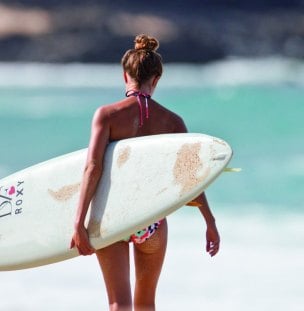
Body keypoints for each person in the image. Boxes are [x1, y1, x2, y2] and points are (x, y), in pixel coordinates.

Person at [70, 34, 221, 311]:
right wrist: (209, 222)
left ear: (125, 75)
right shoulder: (173, 122)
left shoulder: (107, 115)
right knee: (146, 304)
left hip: (111, 219)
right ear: (157, 79)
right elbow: (191, 178)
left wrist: (78, 222)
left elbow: (93, 167)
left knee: (119, 304)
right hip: (151, 221)